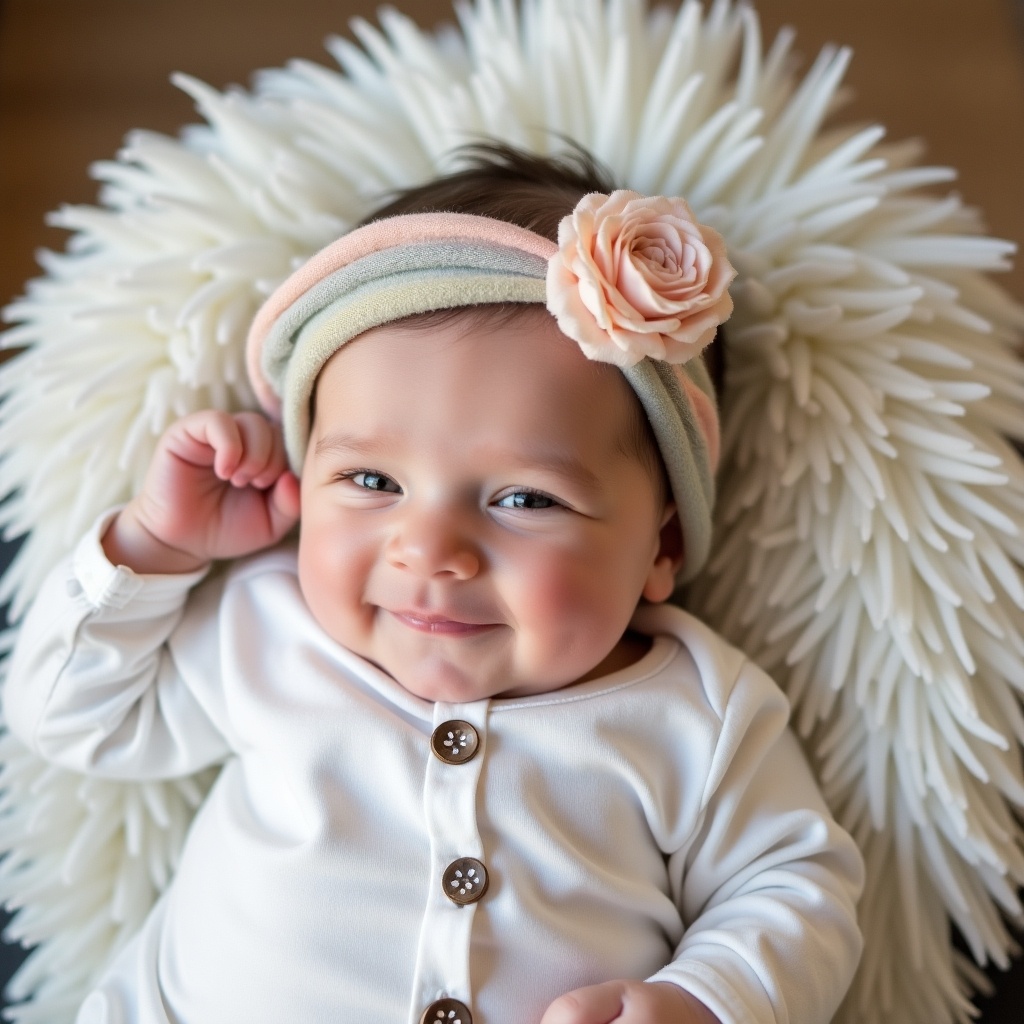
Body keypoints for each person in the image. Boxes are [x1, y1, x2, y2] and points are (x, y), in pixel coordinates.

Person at [3, 146, 863, 1024]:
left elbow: (797, 887)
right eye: (373, 482)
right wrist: (155, 545)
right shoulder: (268, 631)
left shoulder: (698, 714)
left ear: (662, 543)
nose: (430, 550)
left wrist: (705, 1000)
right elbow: (66, 716)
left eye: (525, 498)